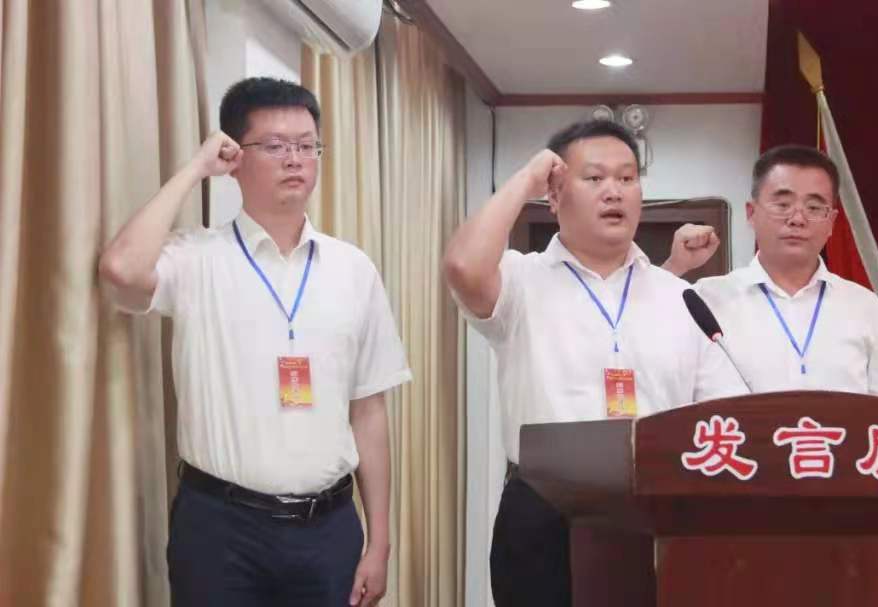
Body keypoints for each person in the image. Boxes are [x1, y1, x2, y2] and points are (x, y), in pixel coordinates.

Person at [98, 77, 410, 607]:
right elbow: (120, 270)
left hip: (329, 526)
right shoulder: (197, 258)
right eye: (274, 145)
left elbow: (369, 410)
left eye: (307, 145)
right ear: (235, 158)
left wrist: (379, 542)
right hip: (221, 530)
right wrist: (195, 169)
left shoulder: (353, 270)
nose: (295, 159)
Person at [443, 119, 748, 606]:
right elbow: (462, 266)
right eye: (595, 178)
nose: (614, 191)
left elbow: (725, 414)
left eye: (627, 178)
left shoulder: (678, 297)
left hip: (654, 511)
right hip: (544, 511)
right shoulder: (521, 280)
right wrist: (525, 179)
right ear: (554, 195)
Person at [663, 144, 878, 398]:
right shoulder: (704, 301)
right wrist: (675, 266)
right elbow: (647, 362)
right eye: (783, 204)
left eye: (814, 208)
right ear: (751, 213)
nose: (797, 219)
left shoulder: (863, 306)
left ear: (831, 222)